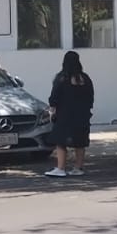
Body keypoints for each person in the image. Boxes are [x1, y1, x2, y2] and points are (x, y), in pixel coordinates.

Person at [45, 50, 95, 178]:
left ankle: (61, 168)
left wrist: (52, 110)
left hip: (65, 116)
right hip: (82, 115)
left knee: (61, 141)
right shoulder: (85, 78)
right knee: (80, 142)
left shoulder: (62, 78)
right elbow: (91, 97)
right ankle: (78, 167)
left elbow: (54, 97)